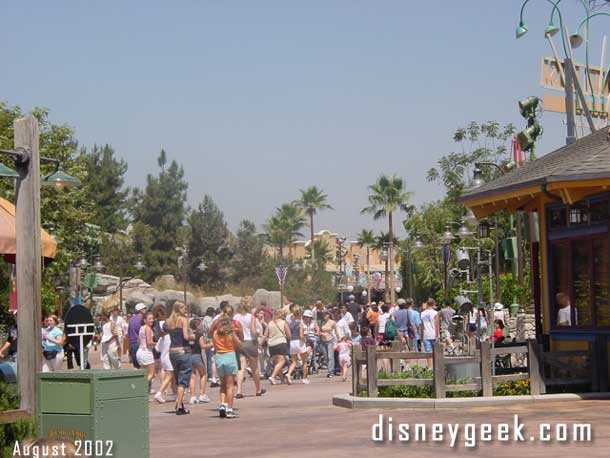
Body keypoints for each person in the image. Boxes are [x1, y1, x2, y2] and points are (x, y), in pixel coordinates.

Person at [164, 301, 196, 415]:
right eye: (184, 308)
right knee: (183, 380)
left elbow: (163, 330)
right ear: (178, 309)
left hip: (172, 351)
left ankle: (180, 403)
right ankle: (179, 406)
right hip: (183, 350)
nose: (186, 310)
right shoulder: (183, 320)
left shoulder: (169, 321)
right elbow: (186, 336)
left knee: (177, 378)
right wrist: (193, 336)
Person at [234, 301, 266, 397]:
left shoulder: (236, 317)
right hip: (250, 342)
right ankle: (258, 389)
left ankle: (239, 390)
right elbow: (252, 330)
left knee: (241, 368)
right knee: (254, 367)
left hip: (240, 342)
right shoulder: (251, 317)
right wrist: (258, 333)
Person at [212, 314, 241, 418]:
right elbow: (238, 342)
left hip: (219, 356)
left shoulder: (215, 333)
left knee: (223, 384)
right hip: (229, 355)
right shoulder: (230, 333)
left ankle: (222, 404)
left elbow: (214, 346)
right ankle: (229, 409)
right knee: (230, 386)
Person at [260, 309, 290, 385]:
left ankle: (282, 379)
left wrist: (260, 344)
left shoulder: (270, 323)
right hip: (281, 343)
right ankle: (273, 376)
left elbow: (265, 335)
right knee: (282, 361)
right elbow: (289, 335)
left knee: (277, 362)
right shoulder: (283, 323)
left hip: (271, 344)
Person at [153, 306, 176, 404]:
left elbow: (157, 348)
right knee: (170, 375)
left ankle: (176, 394)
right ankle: (159, 393)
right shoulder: (168, 336)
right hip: (168, 357)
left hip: (163, 357)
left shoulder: (161, 334)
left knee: (173, 376)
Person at [188, 318, 212, 404]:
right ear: (197, 326)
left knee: (192, 376)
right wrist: (212, 344)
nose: (201, 326)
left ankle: (193, 396)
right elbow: (203, 346)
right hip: (197, 356)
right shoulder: (199, 334)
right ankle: (202, 394)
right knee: (203, 374)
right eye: (200, 324)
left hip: (189, 356)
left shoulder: (189, 335)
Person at [286, 308, 310, 384]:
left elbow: (288, 335)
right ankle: (305, 378)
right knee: (304, 361)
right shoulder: (300, 324)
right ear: (299, 315)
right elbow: (301, 335)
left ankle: (288, 374)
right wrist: (305, 338)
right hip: (299, 342)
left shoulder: (289, 324)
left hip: (292, 342)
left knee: (294, 362)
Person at [136, 311, 156, 389]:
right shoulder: (148, 328)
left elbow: (138, 341)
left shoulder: (141, 328)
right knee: (152, 373)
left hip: (140, 351)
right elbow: (149, 342)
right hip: (146, 352)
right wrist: (156, 343)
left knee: (145, 373)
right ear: (145, 320)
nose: (152, 320)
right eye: (149, 319)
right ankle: (139, 387)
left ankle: (144, 392)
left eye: (152, 318)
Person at [319, 310, 338, 378]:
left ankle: (331, 371)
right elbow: (319, 331)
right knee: (326, 357)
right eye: (323, 315)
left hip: (330, 340)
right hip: (323, 341)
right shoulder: (322, 322)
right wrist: (320, 333)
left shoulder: (332, 322)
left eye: (325, 315)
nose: (324, 316)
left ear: (328, 315)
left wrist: (337, 341)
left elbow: (336, 332)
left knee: (330, 356)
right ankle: (329, 369)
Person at [128, 303, 147, 368]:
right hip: (141, 344)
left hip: (132, 343)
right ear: (140, 310)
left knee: (136, 366)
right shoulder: (142, 320)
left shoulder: (131, 320)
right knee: (144, 365)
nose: (145, 309)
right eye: (144, 308)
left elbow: (129, 333)